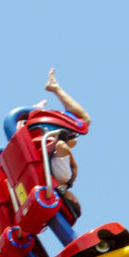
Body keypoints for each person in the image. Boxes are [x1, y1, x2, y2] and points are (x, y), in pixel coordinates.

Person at [40, 68, 91, 218]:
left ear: (73, 200)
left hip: (46, 139)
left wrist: (73, 160)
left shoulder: (64, 177)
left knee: (84, 121)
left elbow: (61, 147)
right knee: (74, 139)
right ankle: (54, 88)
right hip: (45, 148)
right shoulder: (53, 186)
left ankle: (54, 88)